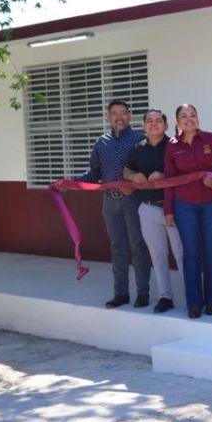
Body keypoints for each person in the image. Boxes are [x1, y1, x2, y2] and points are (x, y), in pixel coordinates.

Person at [70, 100, 150, 309]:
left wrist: (134, 184)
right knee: (117, 248)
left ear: (130, 116)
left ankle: (143, 293)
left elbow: (147, 173)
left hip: (133, 201)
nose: (119, 117)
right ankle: (120, 293)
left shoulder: (139, 139)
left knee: (138, 247)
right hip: (109, 202)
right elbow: (94, 173)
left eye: (123, 113)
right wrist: (71, 181)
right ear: (108, 117)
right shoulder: (101, 142)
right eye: (114, 113)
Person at [163, 104, 212, 318]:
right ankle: (194, 302)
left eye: (192, 115)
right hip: (184, 205)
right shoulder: (172, 146)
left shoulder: (211, 139)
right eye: (183, 116)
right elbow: (169, 180)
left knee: (211, 251)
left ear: (198, 119)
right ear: (177, 122)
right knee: (190, 254)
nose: (189, 119)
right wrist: (168, 210)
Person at [122, 109, 184, 314]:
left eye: (158, 121)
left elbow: (184, 170)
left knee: (182, 254)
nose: (153, 124)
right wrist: (133, 176)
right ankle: (165, 296)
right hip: (147, 208)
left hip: (174, 208)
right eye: (149, 121)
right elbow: (126, 169)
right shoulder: (137, 148)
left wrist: (165, 174)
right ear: (143, 126)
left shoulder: (175, 146)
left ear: (166, 126)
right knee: (157, 255)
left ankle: (192, 295)